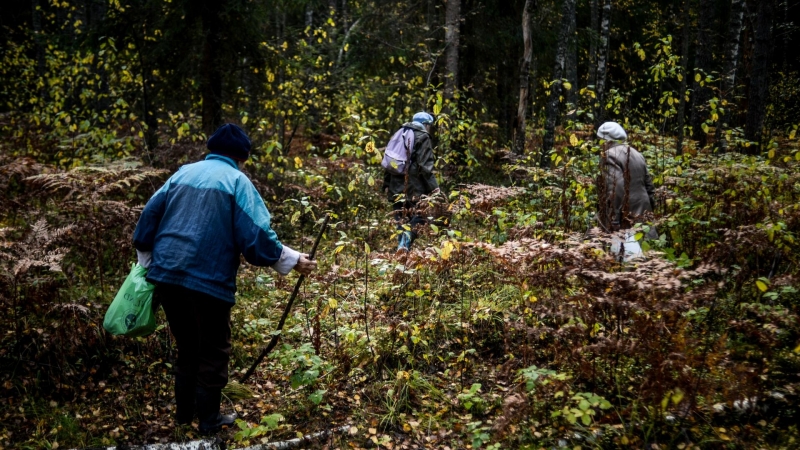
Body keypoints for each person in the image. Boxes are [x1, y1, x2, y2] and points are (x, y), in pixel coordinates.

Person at [132, 123, 317, 434]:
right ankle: (208, 421)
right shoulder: (237, 181)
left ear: (211, 149)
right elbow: (257, 237)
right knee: (214, 350)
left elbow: (148, 217)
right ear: (241, 157)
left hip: (166, 274)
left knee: (188, 346)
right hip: (208, 280)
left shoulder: (181, 173)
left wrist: (148, 261)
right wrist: (292, 259)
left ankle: (182, 417)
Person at [595, 122, 657, 260]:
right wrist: (650, 210)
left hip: (624, 216)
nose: (600, 143)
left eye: (600, 139)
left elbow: (615, 189)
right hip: (643, 211)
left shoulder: (609, 155)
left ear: (606, 140)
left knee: (626, 261)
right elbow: (649, 186)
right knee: (646, 260)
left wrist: (614, 219)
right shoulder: (636, 153)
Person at [382, 112, 440, 251]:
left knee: (401, 218)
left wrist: (386, 183)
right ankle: (404, 246)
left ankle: (401, 251)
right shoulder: (423, 136)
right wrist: (434, 188)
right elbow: (425, 166)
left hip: (395, 185)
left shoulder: (400, 132)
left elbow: (390, 160)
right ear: (426, 125)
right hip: (415, 187)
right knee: (422, 216)